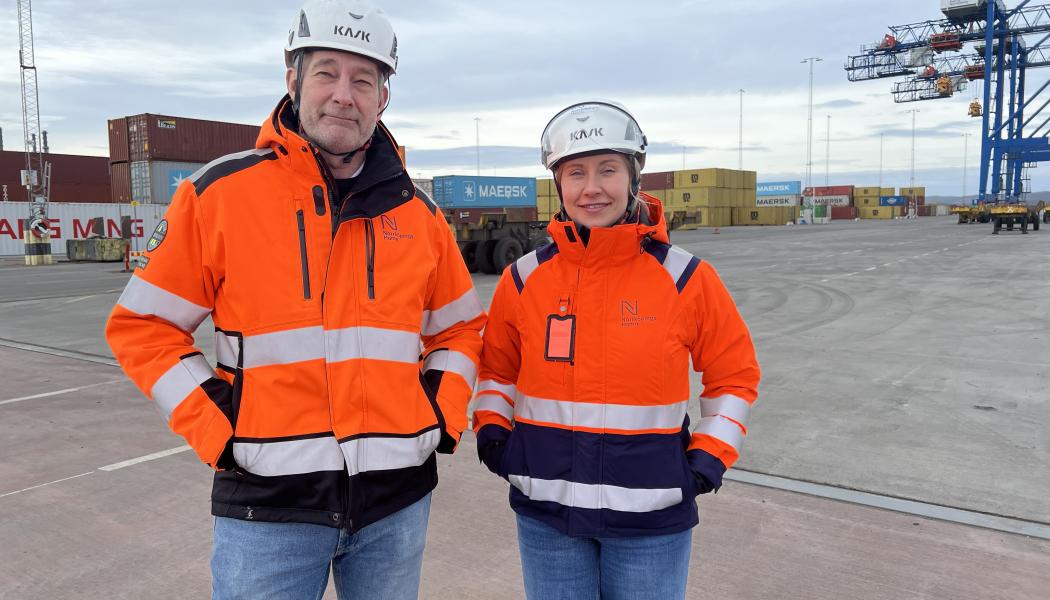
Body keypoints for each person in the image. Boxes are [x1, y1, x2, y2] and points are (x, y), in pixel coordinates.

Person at [105, 1, 484, 598]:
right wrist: (220, 427)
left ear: (383, 97)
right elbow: (143, 327)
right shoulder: (219, 195)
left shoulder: (421, 216)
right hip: (268, 507)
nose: (344, 94)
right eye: (326, 72)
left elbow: (461, 331)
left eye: (364, 79)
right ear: (293, 81)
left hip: (397, 503)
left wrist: (437, 412)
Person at [472, 101, 760, 600]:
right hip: (547, 512)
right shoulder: (523, 279)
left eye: (608, 169)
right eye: (575, 172)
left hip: (651, 516)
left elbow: (734, 377)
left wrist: (708, 457)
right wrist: (496, 435)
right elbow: (497, 370)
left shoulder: (687, 278)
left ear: (633, 178)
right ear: (558, 184)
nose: (592, 187)